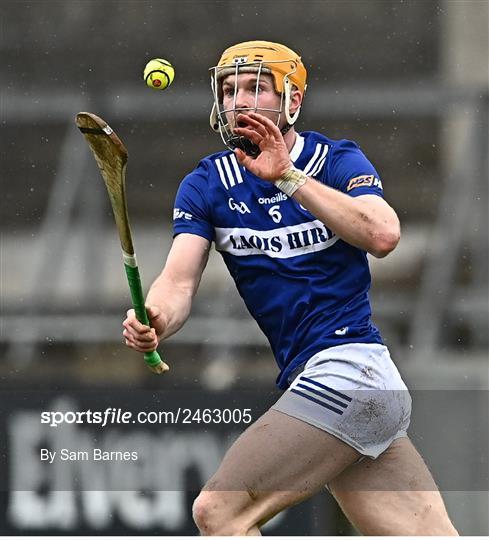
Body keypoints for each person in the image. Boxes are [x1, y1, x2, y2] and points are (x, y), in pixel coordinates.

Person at [123, 40, 458, 535]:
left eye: (256, 87)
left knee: (218, 510)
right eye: (229, 89)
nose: (239, 100)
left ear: (293, 101)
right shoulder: (207, 184)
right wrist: (154, 318)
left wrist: (289, 178)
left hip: (351, 370)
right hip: (335, 386)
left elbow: (383, 234)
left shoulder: (336, 159)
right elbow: (177, 281)